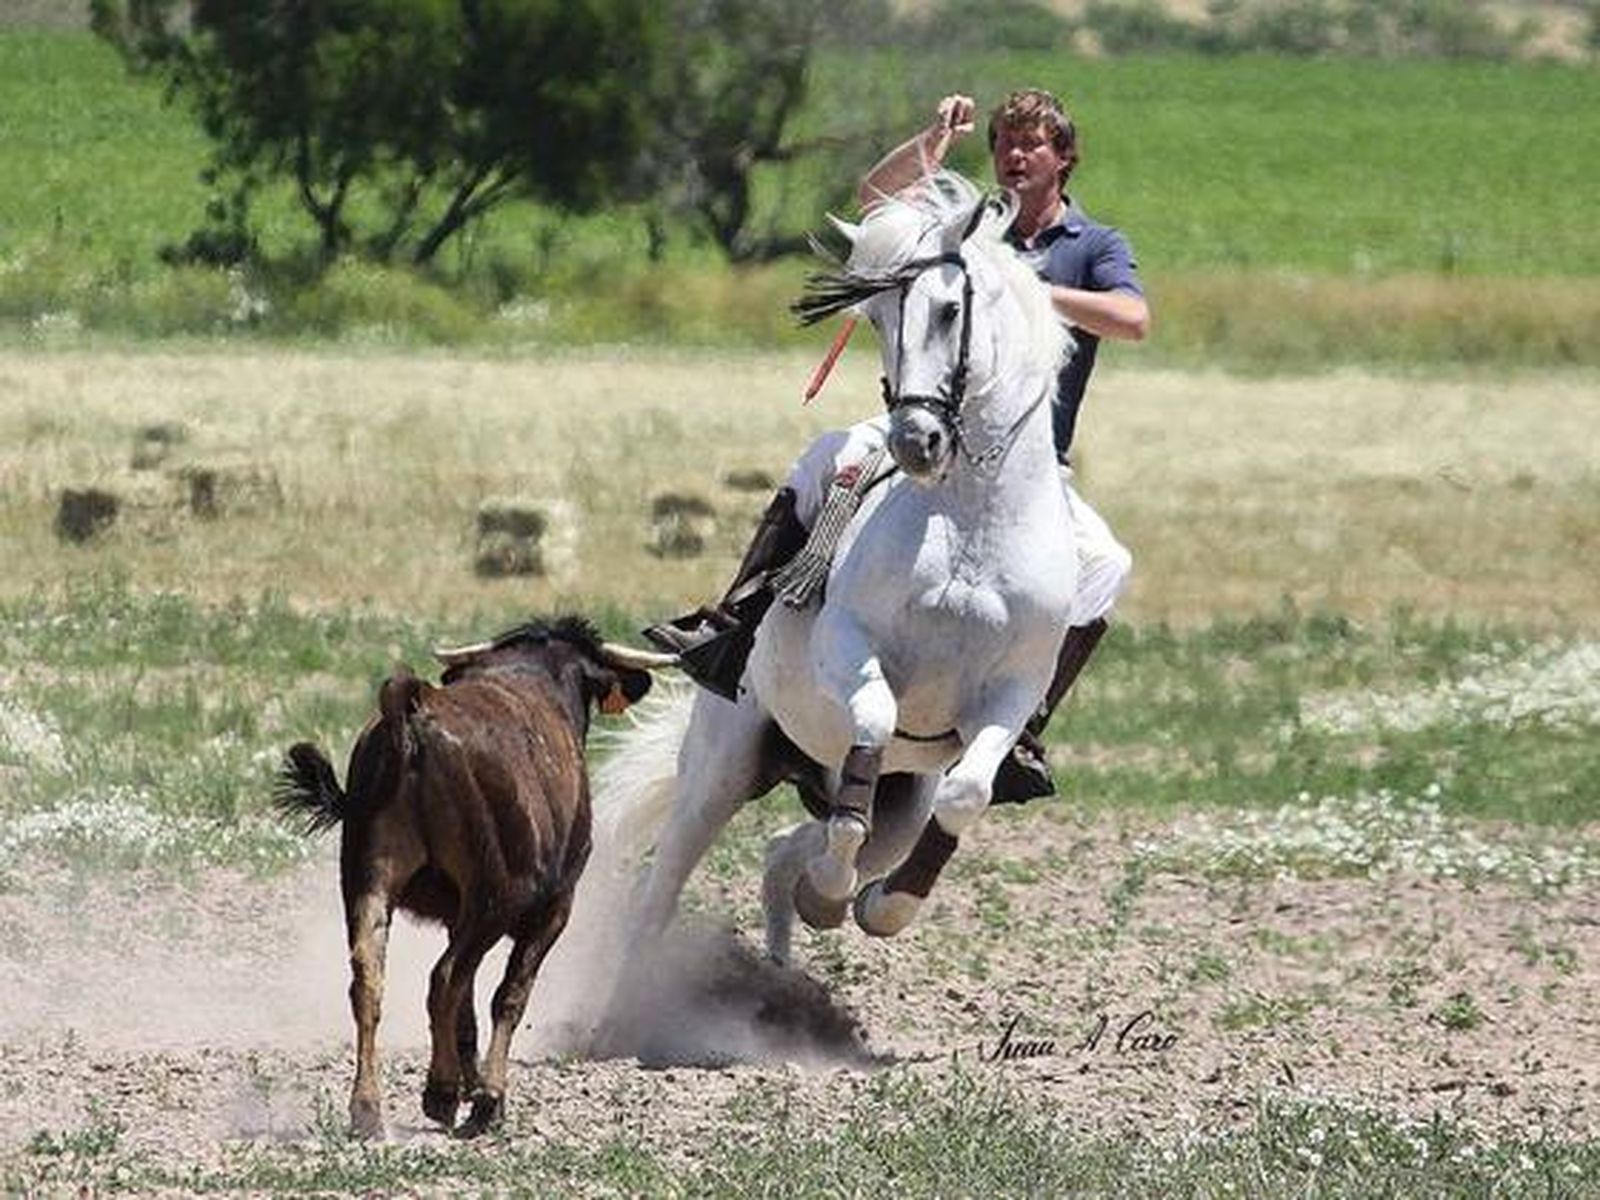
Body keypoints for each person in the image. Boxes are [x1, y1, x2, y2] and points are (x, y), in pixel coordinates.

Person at [645, 87, 1150, 803]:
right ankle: (731, 627)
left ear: (1064, 159)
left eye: (1031, 143)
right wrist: (933, 139)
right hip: (922, 426)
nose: (1013, 153)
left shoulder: (1093, 246)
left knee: (1108, 564)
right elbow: (874, 195)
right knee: (827, 459)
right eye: (1005, 140)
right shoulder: (969, 225)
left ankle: (1022, 729)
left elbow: (1132, 318)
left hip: (1029, 473)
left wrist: (1020, 290)